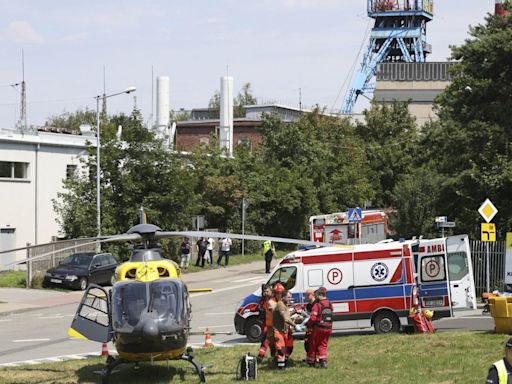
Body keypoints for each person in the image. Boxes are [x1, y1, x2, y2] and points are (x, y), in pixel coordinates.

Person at [306, 287, 333, 368]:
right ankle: (323, 361)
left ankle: (311, 362)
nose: (316, 296)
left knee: (313, 344)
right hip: (328, 328)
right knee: (323, 345)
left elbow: (313, 318)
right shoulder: (330, 304)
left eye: (316, 295)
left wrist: (308, 324)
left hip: (318, 328)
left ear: (320, 294)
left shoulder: (317, 305)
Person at [273, 288, 295, 370]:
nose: (290, 299)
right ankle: (280, 367)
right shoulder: (280, 304)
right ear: (283, 297)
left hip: (285, 330)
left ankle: (284, 361)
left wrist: (295, 312)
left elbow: (288, 315)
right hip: (279, 331)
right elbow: (285, 318)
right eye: (288, 297)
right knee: (281, 349)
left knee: (290, 347)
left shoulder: (285, 305)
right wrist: (295, 325)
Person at [257, 284, 274, 363]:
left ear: (271, 291)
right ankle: (261, 356)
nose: (265, 293)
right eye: (264, 291)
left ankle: (273, 356)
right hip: (266, 324)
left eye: (267, 291)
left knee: (270, 342)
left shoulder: (273, 300)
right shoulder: (263, 300)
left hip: (272, 324)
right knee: (265, 341)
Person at [302, 289, 316, 355]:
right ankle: (310, 356)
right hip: (309, 326)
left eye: (308, 295)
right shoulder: (308, 305)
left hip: (315, 326)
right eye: (306, 295)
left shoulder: (316, 304)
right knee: (307, 343)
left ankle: (316, 358)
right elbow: (307, 315)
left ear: (312, 294)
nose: (306, 297)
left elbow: (314, 316)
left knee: (313, 343)